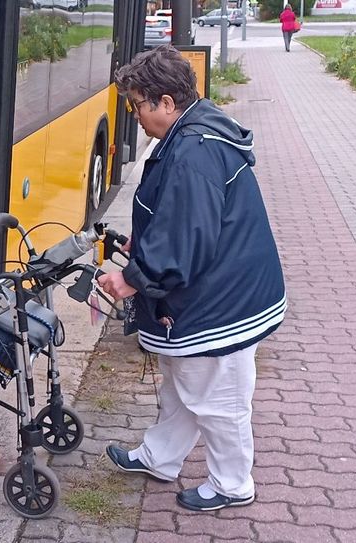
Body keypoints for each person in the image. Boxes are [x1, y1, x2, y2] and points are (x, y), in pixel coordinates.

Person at [97, 45, 286, 512]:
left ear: (165, 102)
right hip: (227, 287)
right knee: (186, 384)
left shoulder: (193, 152)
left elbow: (187, 235)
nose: (135, 115)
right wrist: (139, 247)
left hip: (221, 302)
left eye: (137, 104)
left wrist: (133, 279)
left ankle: (232, 484)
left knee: (218, 399)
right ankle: (160, 457)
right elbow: (187, 222)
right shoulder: (196, 132)